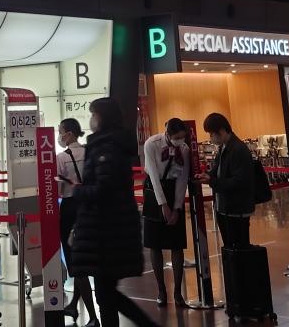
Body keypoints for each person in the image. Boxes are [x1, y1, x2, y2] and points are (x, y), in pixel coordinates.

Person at [68, 97, 156, 327]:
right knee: (106, 293)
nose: (91, 119)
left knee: (106, 293)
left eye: (93, 114)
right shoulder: (110, 145)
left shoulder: (106, 148)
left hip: (106, 232)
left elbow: (104, 189)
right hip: (109, 230)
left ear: (102, 118)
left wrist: (78, 191)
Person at [142, 118, 191, 306]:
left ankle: (178, 292)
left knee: (176, 244)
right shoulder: (151, 144)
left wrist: (177, 207)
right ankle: (161, 290)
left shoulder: (184, 149)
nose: (180, 141)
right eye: (177, 137)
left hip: (173, 191)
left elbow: (182, 179)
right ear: (167, 134)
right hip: (154, 192)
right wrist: (163, 205)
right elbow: (154, 177)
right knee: (154, 244)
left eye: (182, 137)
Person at [57, 118, 98, 325]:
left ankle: (92, 317)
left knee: (76, 262)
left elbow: (58, 189)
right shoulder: (90, 152)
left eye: (61, 131)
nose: (59, 135)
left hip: (70, 208)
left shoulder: (62, 157)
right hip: (90, 206)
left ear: (70, 133)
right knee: (87, 256)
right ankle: (73, 305)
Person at [203, 112, 255, 248]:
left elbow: (239, 181)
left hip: (237, 210)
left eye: (211, 134)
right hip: (224, 208)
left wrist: (212, 181)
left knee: (238, 249)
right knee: (229, 248)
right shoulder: (223, 148)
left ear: (221, 130)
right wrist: (207, 176)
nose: (210, 137)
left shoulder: (238, 149)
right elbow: (217, 170)